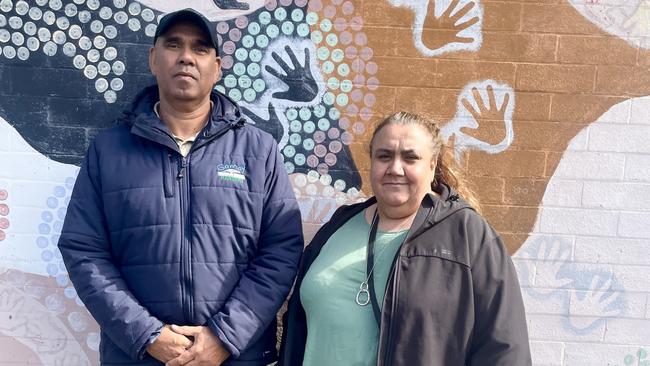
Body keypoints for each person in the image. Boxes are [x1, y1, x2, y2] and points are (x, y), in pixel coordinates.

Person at [58, 9, 303, 366]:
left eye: (200, 48)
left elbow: (281, 249)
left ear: (217, 67)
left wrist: (224, 336)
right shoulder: (109, 151)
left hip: (235, 356)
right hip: (139, 356)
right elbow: (84, 251)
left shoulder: (257, 150)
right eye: (173, 45)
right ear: (153, 59)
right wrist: (146, 334)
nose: (186, 56)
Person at [279, 112, 531, 365]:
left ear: (432, 165)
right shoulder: (339, 225)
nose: (395, 168)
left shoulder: (468, 235)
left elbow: (505, 347)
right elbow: (297, 326)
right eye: (384, 156)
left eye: (410, 158)